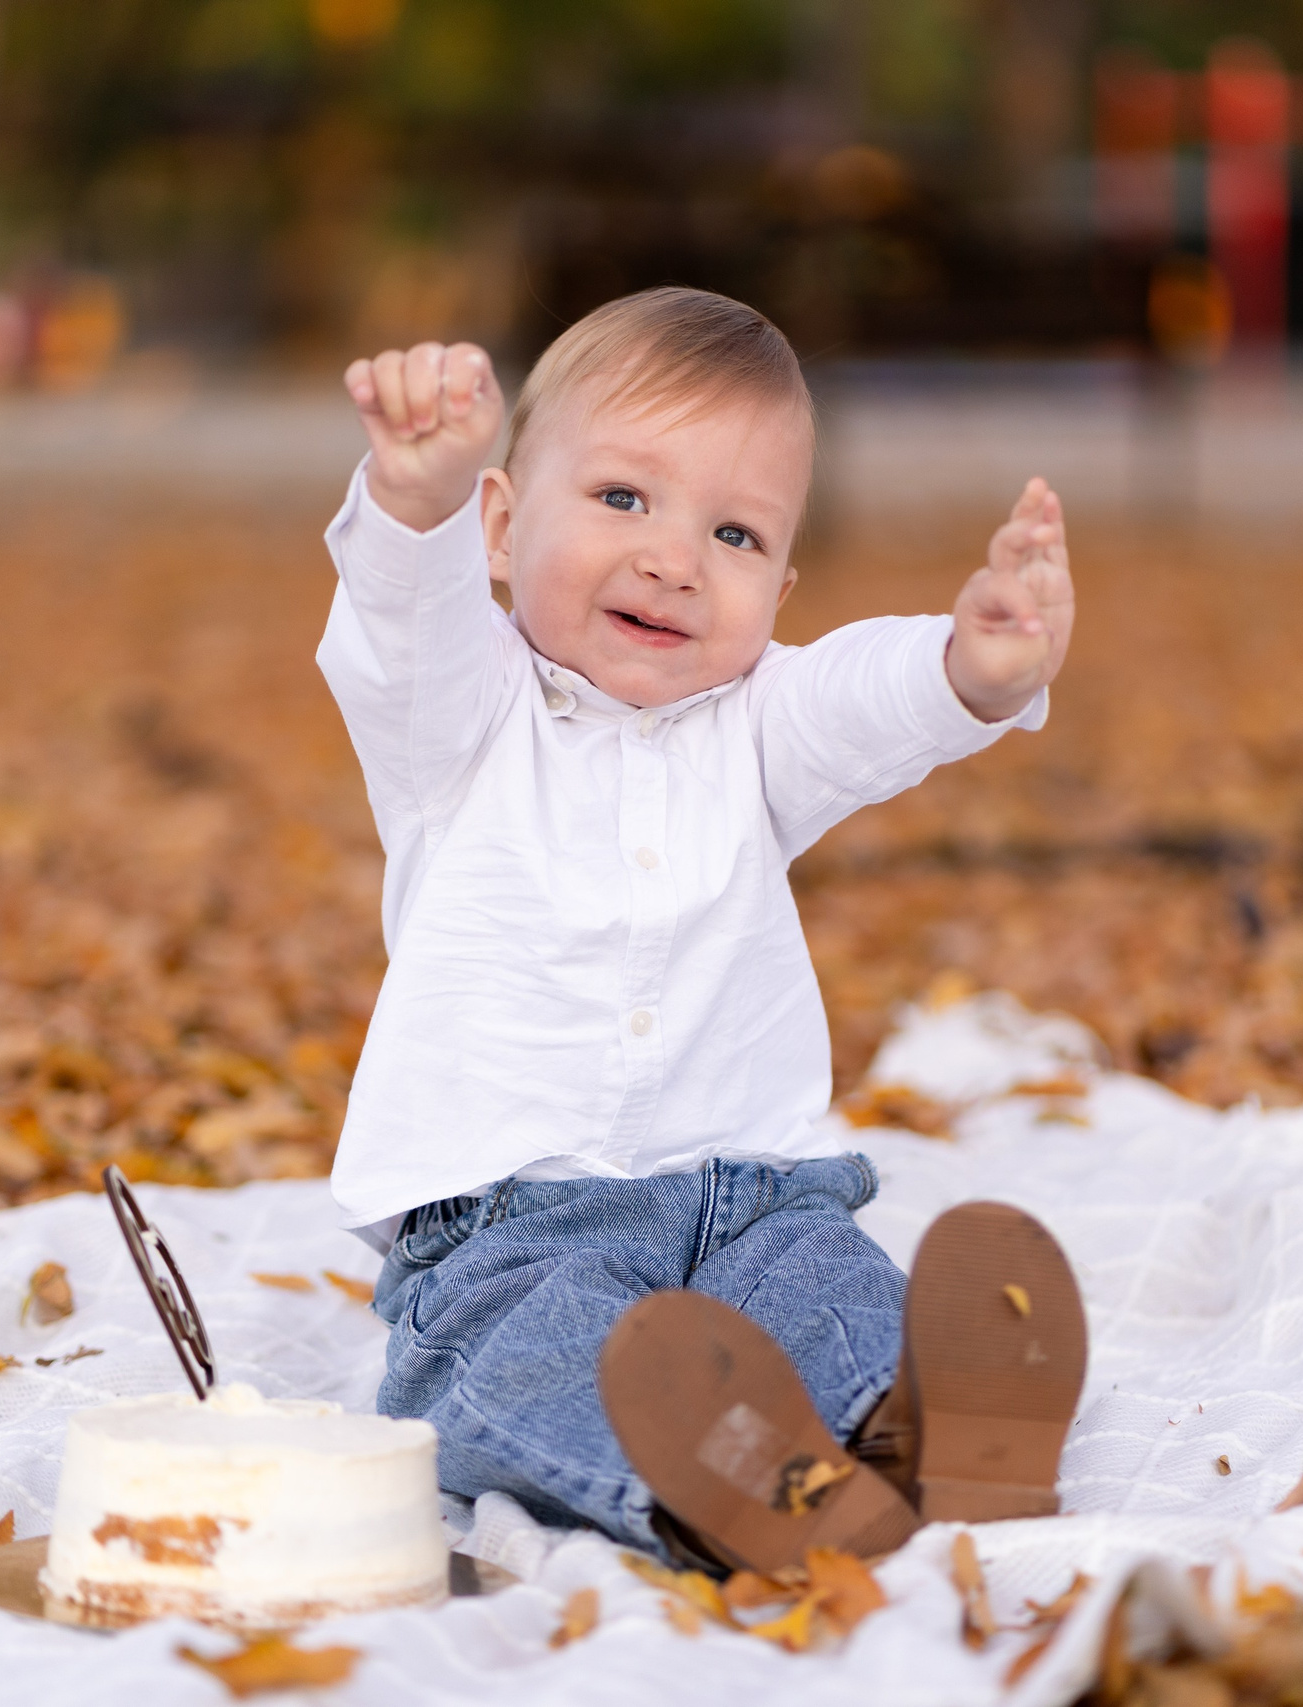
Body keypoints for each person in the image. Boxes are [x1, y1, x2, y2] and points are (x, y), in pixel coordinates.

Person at [319, 286, 1085, 1574]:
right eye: (623, 500)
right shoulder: (459, 722)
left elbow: (861, 698)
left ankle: (924, 1435)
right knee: (524, 1353)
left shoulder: (757, 726)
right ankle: (723, 1484)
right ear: (504, 525)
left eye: (733, 533)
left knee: (832, 1291)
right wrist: (415, 505)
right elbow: (403, 629)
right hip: (512, 1223)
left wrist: (975, 667)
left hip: (753, 1199)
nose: (675, 559)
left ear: (778, 587)